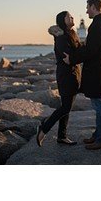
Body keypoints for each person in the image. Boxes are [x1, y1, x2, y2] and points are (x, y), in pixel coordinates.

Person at [63, 0, 101, 150]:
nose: (86, 11)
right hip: (100, 70)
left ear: (93, 6)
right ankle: (98, 135)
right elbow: (92, 48)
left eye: (87, 7)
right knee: (99, 104)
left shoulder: (98, 25)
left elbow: (90, 50)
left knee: (99, 105)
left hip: (97, 72)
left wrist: (72, 59)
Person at [36, 11, 82, 147]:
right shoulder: (61, 37)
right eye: (69, 17)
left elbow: (76, 53)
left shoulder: (72, 34)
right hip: (66, 75)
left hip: (74, 74)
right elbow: (68, 57)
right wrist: (79, 55)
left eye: (72, 16)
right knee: (66, 107)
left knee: (67, 106)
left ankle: (62, 136)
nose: (72, 17)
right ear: (63, 20)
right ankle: (44, 128)